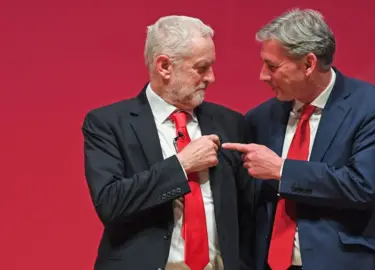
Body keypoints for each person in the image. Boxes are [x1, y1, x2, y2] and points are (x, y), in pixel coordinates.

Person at [223, 8, 375, 270]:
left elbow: (361, 186)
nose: (262, 75)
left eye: (272, 66)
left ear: (308, 64)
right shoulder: (259, 118)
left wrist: (282, 169)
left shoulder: (371, 107)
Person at [82, 15, 254, 270]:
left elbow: (248, 210)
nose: (211, 78)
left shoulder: (231, 123)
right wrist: (181, 165)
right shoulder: (108, 123)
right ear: (164, 67)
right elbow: (110, 203)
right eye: (201, 67)